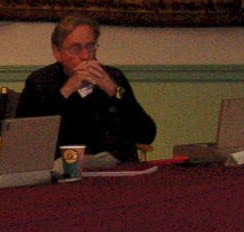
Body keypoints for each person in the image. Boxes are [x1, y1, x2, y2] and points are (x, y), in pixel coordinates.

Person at [15, 14, 156, 163]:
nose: (85, 55)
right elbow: (27, 139)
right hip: (65, 167)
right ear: (57, 52)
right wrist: (67, 90)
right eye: (75, 48)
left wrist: (114, 91)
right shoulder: (40, 82)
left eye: (90, 47)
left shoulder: (113, 77)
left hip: (116, 167)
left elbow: (146, 134)